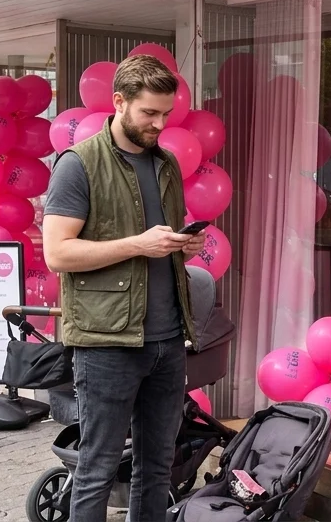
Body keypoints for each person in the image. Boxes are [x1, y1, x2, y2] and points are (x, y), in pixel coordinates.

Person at [42, 55, 207, 522]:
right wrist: (140, 244)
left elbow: (161, 250)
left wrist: (183, 246)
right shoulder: (78, 164)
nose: (159, 124)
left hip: (168, 340)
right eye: (148, 113)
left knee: (158, 469)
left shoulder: (168, 164)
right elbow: (58, 254)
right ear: (119, 102)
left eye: (165, 114)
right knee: (96, 470)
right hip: (106, 343)